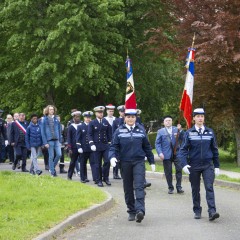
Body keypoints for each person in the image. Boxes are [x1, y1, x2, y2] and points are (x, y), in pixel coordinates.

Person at [109, 109, 155, 223]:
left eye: (133, 117)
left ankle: (140, 211)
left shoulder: (141, 130)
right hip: (125, 162)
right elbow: (113, 147)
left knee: (139, 186)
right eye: (128, 117)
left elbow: (147, 147)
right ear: (125, 118)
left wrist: (152, 161)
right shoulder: (119, 131)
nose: (130, 119)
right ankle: (131, 210)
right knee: (128, 187)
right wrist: (112, 157)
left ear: (136, 118)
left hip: (138, 161)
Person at [179, 108, 220, 221]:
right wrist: (184, 164)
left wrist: (216, 165)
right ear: (194, 119)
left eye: (202, 116)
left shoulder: (210, 132)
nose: (200, 118)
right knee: (195, 189)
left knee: (209, 187)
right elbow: (182, 150)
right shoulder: (189, 133)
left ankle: (212, 211)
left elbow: (215, 149)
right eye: (198, 116)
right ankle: (197, 210)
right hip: (194, 165)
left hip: (207, 165)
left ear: (204, 118)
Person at [155, 116, 184, 194]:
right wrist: (160, 153)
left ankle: (179, 187)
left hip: (177, 153)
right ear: (164, 122)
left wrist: (180, 130)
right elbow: (157, 143)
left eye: (169, 120)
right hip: (166, 154)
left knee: (179, 170)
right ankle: (170, 187)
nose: (168, 122)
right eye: (166, 121)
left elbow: (183, 138)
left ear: (172, 121)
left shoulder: (176, 129)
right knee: (168, 172)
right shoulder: (160, 131)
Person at [88, 106, 112, 187]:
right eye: (99, 112)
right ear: (95, 113)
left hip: (105, 145)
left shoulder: (105, 121)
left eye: (101, 112)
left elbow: (109, 133)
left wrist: (110, 142)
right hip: (96, 146)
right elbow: (89, 134)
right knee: (97, 164)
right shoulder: (92, 123)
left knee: (107, 161)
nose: (100, 114)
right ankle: (99, 180)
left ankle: (106, 177)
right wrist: (91, 144)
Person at [41, 105, 62, 177]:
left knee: (59, 154)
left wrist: (60, 140)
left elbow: (59, 130)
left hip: (56, 140)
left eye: (52, 109)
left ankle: (51, 167)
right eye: (50, 110)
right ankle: (53, 172)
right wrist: (45, 142)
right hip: (49, 140)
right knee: (51, 156)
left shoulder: (56, 119)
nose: (52, 111)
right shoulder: (44, 119)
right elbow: (43, 132)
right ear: (47, 111)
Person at [76, 111, 95, 183]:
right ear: (84, 118)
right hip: (83, 148)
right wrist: (79, 147)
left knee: (93, 163)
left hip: (91, 148)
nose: (88, 119)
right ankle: (83, 177)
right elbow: (78, 138)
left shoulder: (92, 126)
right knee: (83, 163)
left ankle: (94, 178)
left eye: (89, 117)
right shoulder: (80, 126)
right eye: (87, 117)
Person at [67, 110, 82, 180]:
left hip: (81, 146)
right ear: (73, 117)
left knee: (82, 162)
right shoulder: (71, 126)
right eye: (76, 117)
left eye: (79, 117)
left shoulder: (82, 125)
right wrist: (69, 148)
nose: (78, 118)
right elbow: (69, 138)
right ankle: (69, 175)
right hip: (74, 147)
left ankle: (83, 176)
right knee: (73, 162)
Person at [111, 105, 125, 179]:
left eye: (124, 111)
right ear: (119, 112)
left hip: (125, 142)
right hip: (118, 142)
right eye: (122, 111)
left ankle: (123, 173)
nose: (123, 113)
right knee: (116, 158)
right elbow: (113, 132)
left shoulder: (127, 120)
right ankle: (115, 173)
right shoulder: (116, 121)